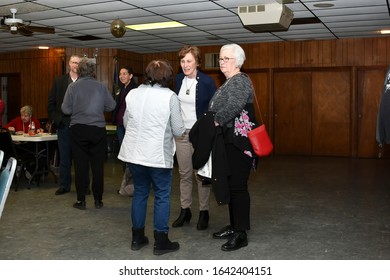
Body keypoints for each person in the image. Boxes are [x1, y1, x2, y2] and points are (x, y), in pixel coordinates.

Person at [118, 59, 185, 255]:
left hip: (135, 155)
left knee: (140, 193)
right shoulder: (170, 97)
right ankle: (161, 240)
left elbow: (125, 121)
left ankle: (137, 238)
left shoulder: (133, 93)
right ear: (167, 76)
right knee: (162, 196)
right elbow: (179, 129)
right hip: (157, 156)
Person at [207, 44, 257, 251]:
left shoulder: (240, 81)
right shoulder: (229, 82)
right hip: (228, 142)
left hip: (239, 144)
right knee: (230, 186)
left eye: (226, 58)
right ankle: (234, 225)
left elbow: (234, 106)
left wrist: (215, 121)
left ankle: (241, 233)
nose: (221, 62)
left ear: (237, 61)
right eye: (220, 58)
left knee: (238, 188)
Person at [61, 58, 116, 210]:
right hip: (97, 129)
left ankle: (81, 201)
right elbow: (111, 105)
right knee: (97, 166)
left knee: (80, 166)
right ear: (92, 71)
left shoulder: (72, 87)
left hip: (78, 129)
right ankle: (98, 200)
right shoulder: (100, 86)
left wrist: (77, 108)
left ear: (79, 71)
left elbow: (65, 110)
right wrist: (99, 107)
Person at [172, 45, 216, 230]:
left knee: (201, 174)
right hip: (182, 134)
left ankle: (204, 211)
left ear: (197, 62)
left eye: (189, 60)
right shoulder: (178, 79)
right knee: (184, 174)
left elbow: (213, 109)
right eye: (182, 61)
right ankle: (185, 209)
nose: (185, 64)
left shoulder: (206, 82)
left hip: (200, 135)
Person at [48, 54, 81, 196]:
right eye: (74, 62)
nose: (76, 65)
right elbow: (51, 104)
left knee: (81, 157)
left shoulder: (86, 82)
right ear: (69, 64)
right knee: (65, 157)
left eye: (78, 63)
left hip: (81, 124)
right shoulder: (59, 81)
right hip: (64, 124)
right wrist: (58, 120)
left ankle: (83, 186)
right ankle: (64, 185)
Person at [112, 66, 138, 147]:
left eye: (124, 74)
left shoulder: (135, 89)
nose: (121, 76)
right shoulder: (120, 87)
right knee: (122, 146)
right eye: (120, 74)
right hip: (119, 122)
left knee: (129, 147)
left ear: (130, 76)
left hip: (130, 123)